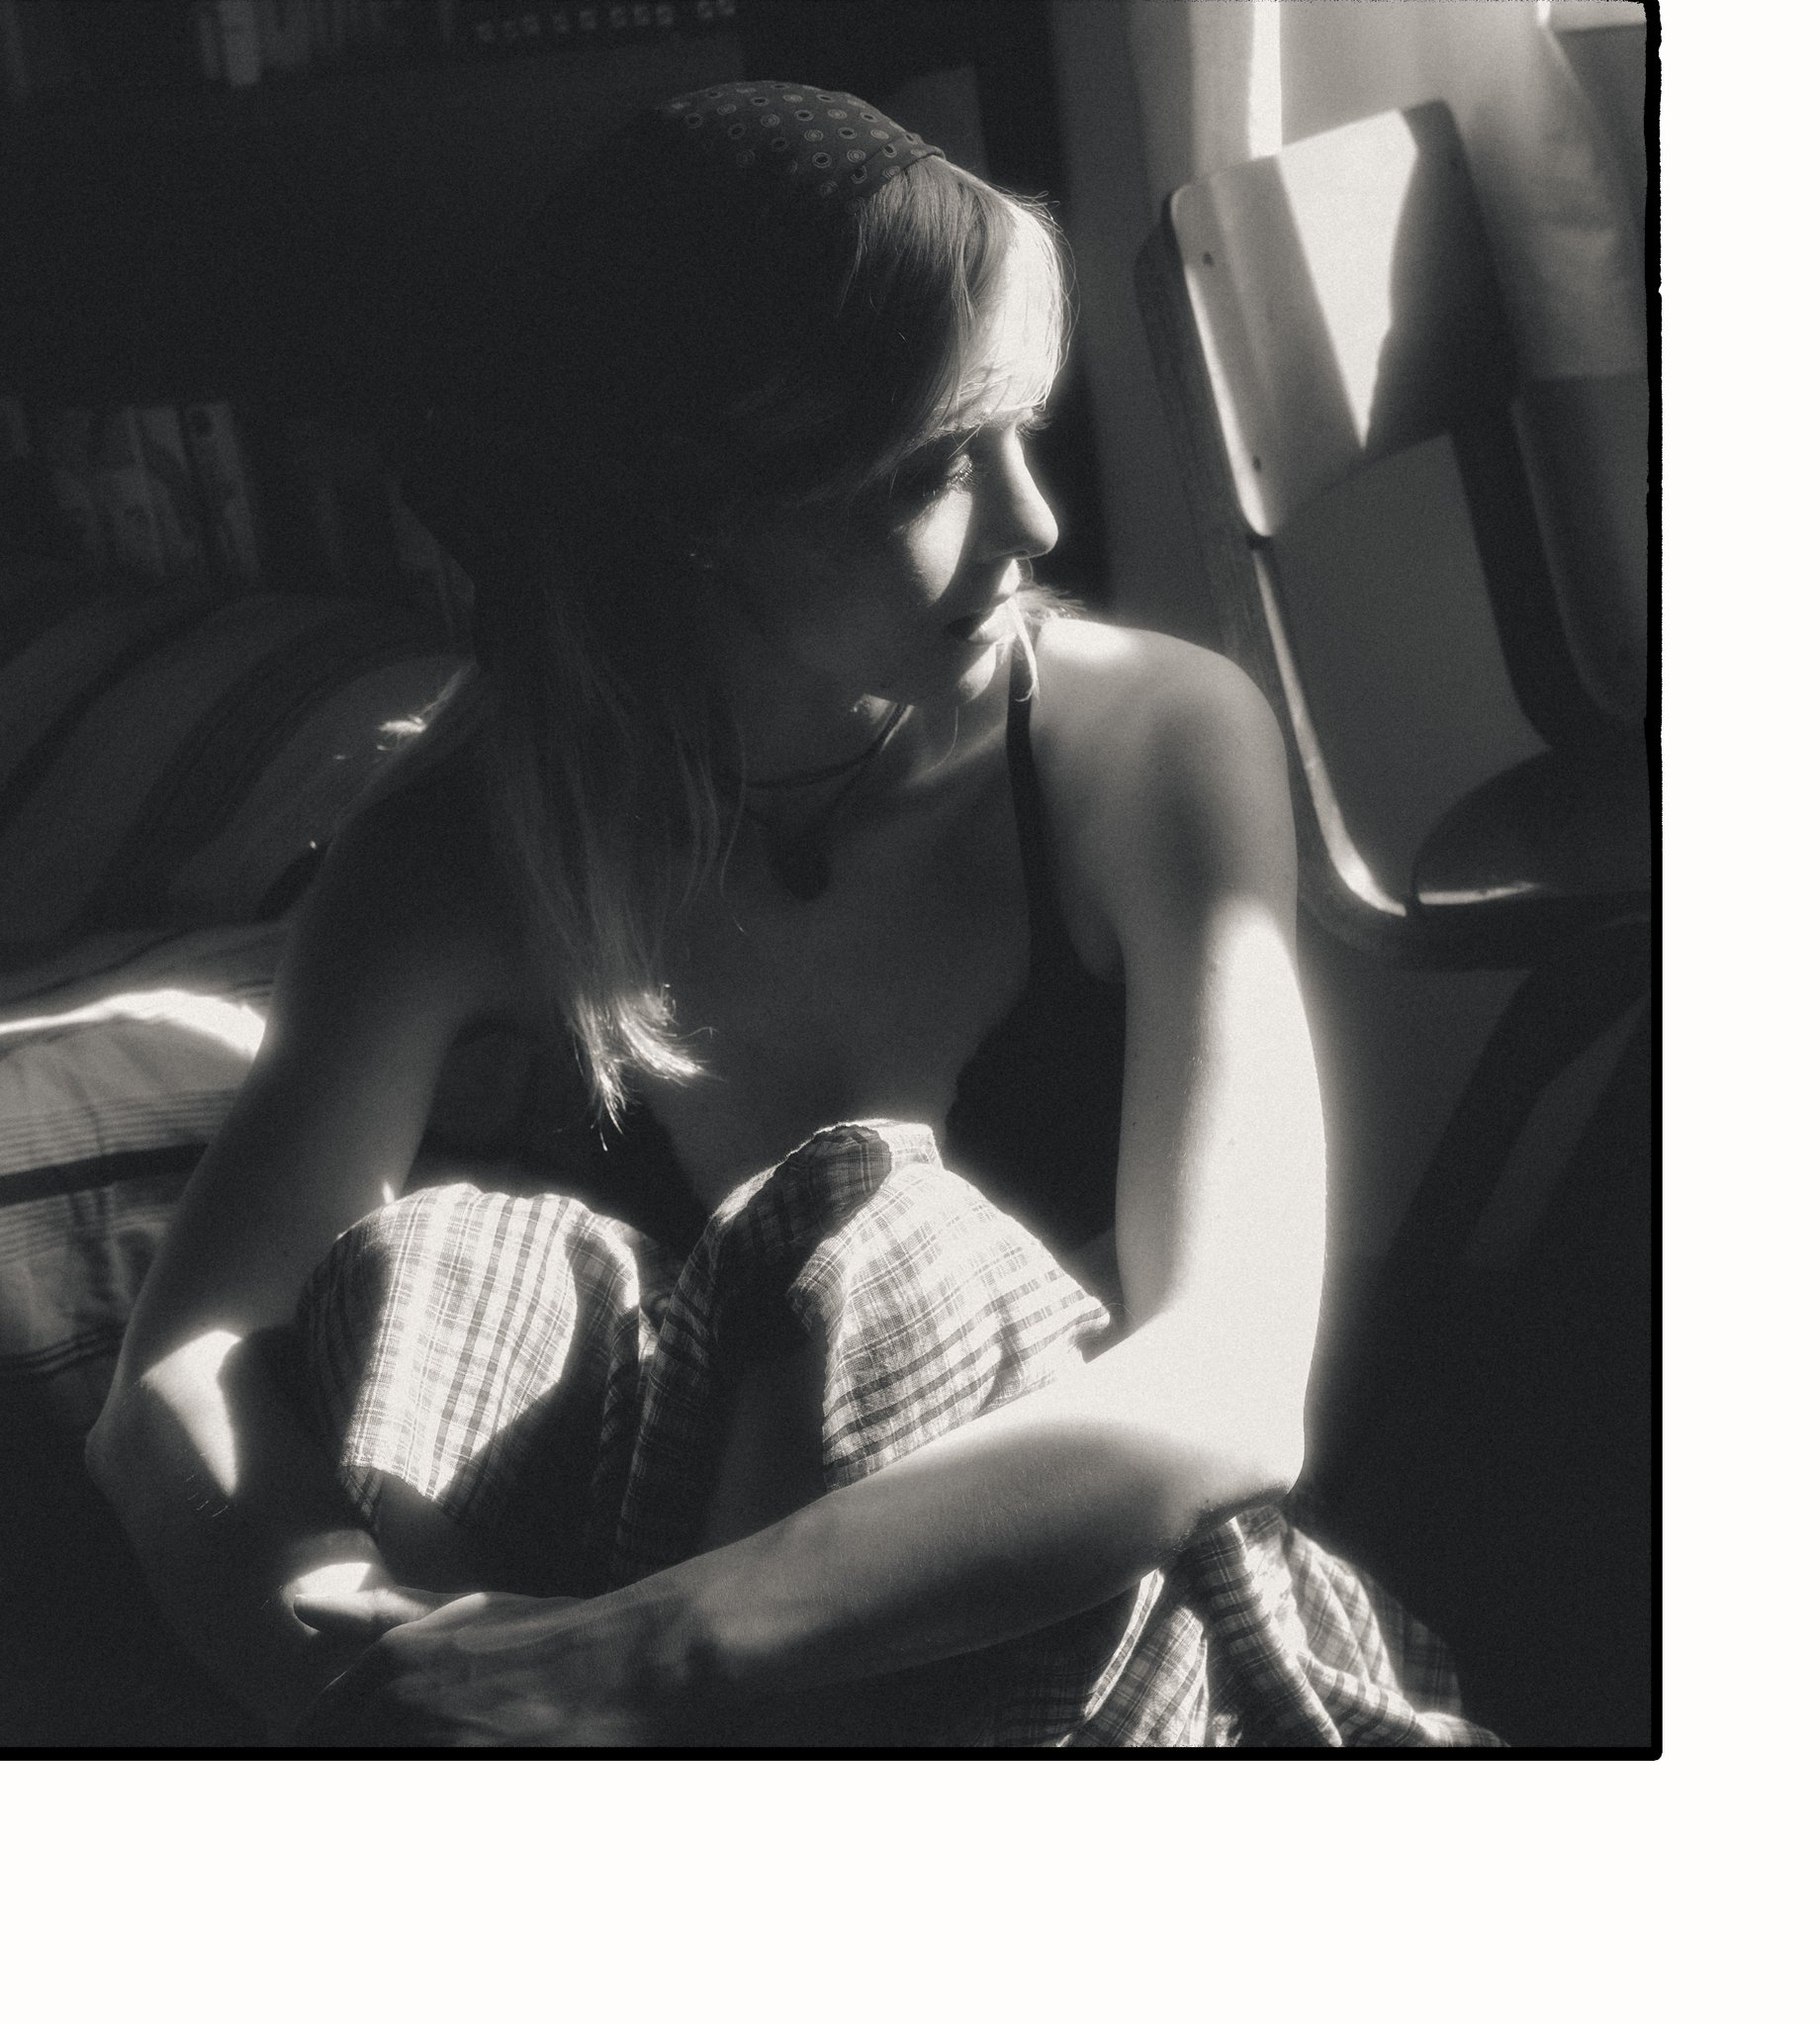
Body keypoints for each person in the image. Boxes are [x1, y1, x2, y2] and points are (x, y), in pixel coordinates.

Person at [87, 84, 1489, 1748]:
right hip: (640, 1702)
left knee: (875, 1233)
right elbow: (177, 1383)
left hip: (1106, 1670)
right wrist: (375, 1654)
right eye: (934, 469)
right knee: (455, 1267)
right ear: (702, 517)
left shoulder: (1152, 746)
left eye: (1025, 434)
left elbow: (1230, 1382)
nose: (1037, 523)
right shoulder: (471, 849)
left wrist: (639, 1657)